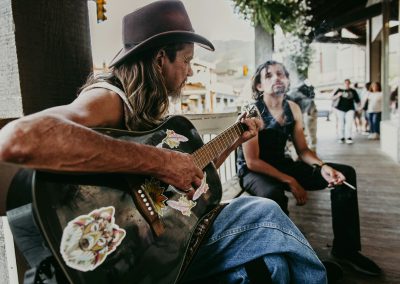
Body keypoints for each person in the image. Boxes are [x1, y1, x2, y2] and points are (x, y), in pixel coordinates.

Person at [0, 1, 327, 283]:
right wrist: (161, 161)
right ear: (160, 59)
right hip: (133, 252)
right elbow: (17, 139)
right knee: (263, 212)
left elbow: (192, 175)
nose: (190, 72)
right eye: (185, 60)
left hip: (170, 239)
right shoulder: (109, 97)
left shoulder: (149, 107)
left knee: (273, 262)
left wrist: (233, 139)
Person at [236, 60, 382, 277]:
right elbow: (252, 161)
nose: (277, 78)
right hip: (254, 171)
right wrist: (290, 180)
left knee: (344, 174)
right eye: (269, 75)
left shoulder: (292, 108)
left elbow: (303, 150)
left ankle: (346, 249)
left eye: (281, 74)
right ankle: (289, 259)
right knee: (273, 195)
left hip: (282, 164)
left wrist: (323, 167)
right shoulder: (252, 110)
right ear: (259, 86)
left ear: (287, 80)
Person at [287, 79, 318, 153]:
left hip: (308, 110)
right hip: (305, 110)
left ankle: (312, 150)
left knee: (310, 131)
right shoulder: (291, 93)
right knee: (307, 132)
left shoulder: (291, 94)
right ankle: (310, 150)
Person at [332, 79, 361, 144]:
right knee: (341, 123)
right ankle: (341, 137)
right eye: (345, 83)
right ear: (344, 84)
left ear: (350, 84)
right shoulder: (339, 90)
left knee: (349, 123)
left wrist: (360, 108)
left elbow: (357, 100)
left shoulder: (353, 91)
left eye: (348, 83)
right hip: (340, 109)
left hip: (350, 109)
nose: (347, 84)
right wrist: (338, 95)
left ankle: (349, 137)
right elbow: (332, 98)